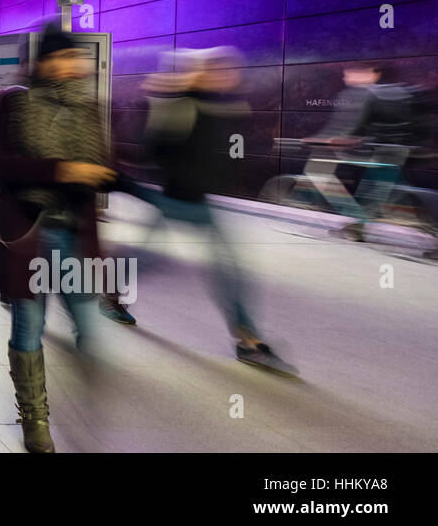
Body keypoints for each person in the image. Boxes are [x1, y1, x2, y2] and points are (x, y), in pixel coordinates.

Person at [0, 24, 117, 453]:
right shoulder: (14, 102)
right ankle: (34, 416)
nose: (65, 66)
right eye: (56, 58)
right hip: (28, 231)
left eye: (70, 57)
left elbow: (104, 164)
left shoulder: (88, 107)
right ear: (41, 62)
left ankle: (87, 410)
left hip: (73, 233)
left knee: (89, 322)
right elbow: (0, 163)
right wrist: (62, 170)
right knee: (29, 325)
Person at [127, 48, 298, 377]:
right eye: (220, 70)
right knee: (150, 261)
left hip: (199, 202)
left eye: (231, 70)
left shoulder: (215, 104)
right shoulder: (182, 105)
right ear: (202, 72)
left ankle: (248, 339)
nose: (229, 75)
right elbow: (152, 151)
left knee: (227, 268)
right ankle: (101, 290)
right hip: (177, 198)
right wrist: (165, 98)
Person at [309, 62, 425, 241]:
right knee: (378, 194)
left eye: (351, 73)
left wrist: (326, 139)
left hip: (383, 151)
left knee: (391, 197)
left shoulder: (366, 94)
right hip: (396, 150)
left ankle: (358, 226)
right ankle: (356, 228)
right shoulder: (394, 92)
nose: (346, 77)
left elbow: (351, 125)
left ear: (372, 73)